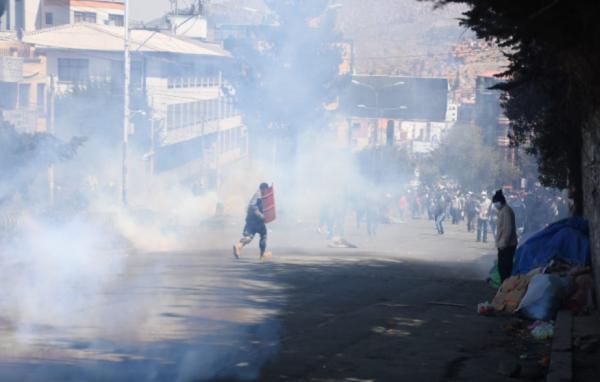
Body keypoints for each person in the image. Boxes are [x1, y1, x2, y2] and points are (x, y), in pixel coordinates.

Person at [233, 183, 271, 259]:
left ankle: (239, 246)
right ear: (263, 188)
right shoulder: (258, 195)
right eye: (266, 189)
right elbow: (253, 207)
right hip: (257, 221)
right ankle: (262, 254)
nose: (267, 191)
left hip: (251, 222)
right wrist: (261, 216)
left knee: (249, 237)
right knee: (263, 235)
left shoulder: (260, 195)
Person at [493, 189, 518, 282]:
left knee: (504, 267)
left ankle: (505, 284)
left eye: (496, 202)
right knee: (501, 266)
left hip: (507, 245)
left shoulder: (506, 211)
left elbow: (508, 228)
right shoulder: (502, 210)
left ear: (501, 201)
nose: (495, 205)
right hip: (503, 244)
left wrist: (503, 243)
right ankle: (504, 284)